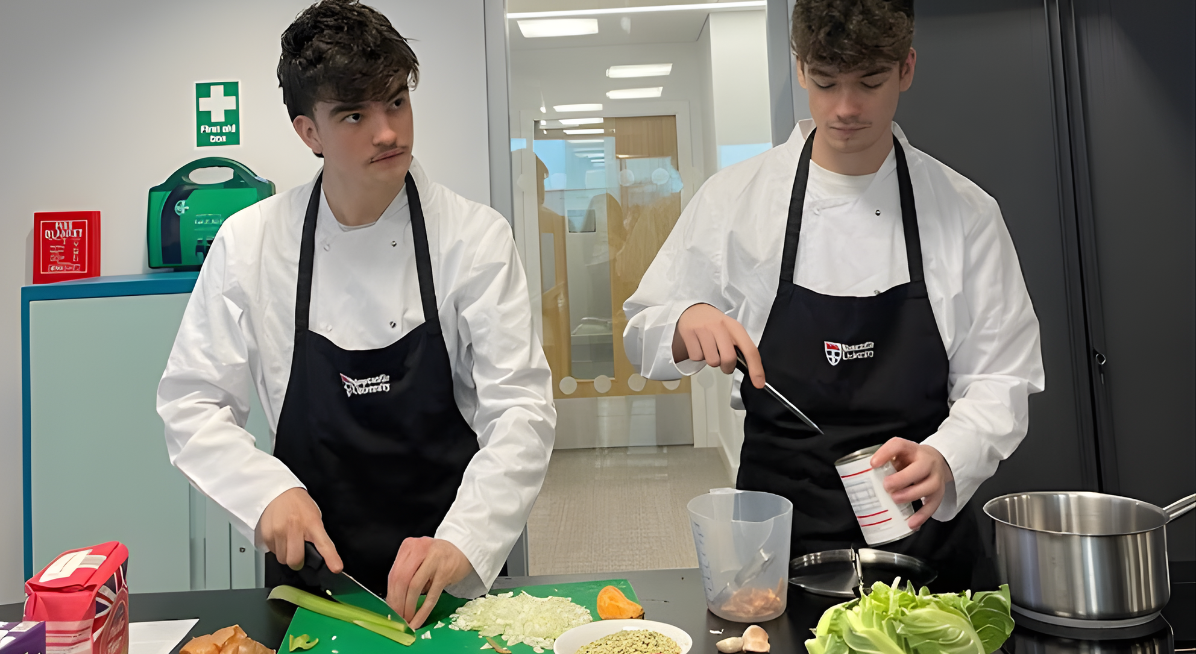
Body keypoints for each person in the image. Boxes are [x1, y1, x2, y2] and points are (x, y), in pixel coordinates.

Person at [157, 0, 555, 627]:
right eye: (354, 114)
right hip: (312, 590)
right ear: (308, 131)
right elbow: (192, 401)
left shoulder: (474, 238)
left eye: (396, 101)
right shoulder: (252, 244)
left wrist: (464, 541)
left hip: (450, 582)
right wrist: (267, 493)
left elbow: (521, 410)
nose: (388, 132)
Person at [623, 0, 1043, 588]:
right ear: (800, 70)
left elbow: (1004, 375)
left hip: (923, 542)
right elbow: (640, 333)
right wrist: (683, 320)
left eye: (869, 82)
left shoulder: (965, 212)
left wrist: (949, 455)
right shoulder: (736, 202)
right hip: (778, 544)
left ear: (906, 69)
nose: (845, 108)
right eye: (825, 83)